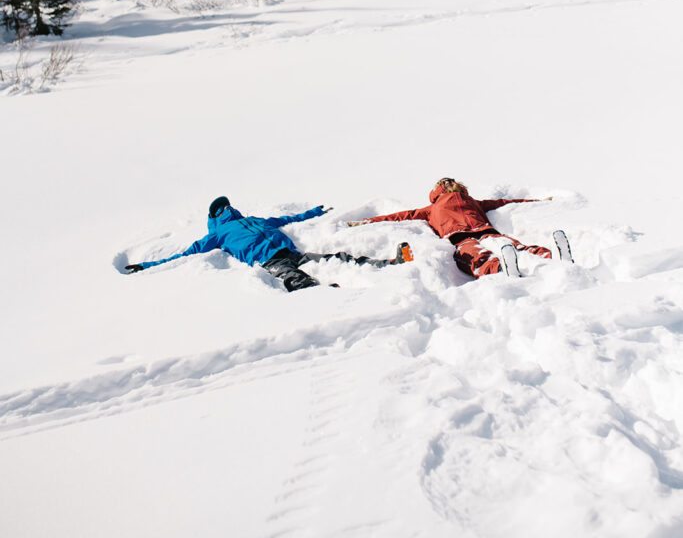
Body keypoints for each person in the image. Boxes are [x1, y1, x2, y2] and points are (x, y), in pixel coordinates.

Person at [126, 195, 412, 292]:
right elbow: (185, 254)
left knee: (335, 256)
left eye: (226, 205)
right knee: (293, 278)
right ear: (214, 217)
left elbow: (286, 218)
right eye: (220, 208)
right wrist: (149, 265)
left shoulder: (254, 219)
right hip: (269, 261)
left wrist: (315, 212)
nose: (225, 209)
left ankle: (389, 263)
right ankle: (322, 298)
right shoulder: (216, 235)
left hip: (289, 250)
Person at [349, 178, 561, 278]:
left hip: (486, 231)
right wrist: (365, 222)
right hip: (458, 237)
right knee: (475, 255)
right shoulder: (431, 209)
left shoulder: (474, 201)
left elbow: (503, 202)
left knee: (511, 245)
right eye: (443, 183)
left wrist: (537, 201)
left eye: (450, 182)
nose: (448, 184)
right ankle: (498, 269)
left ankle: (549, 257)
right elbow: (400, 216)